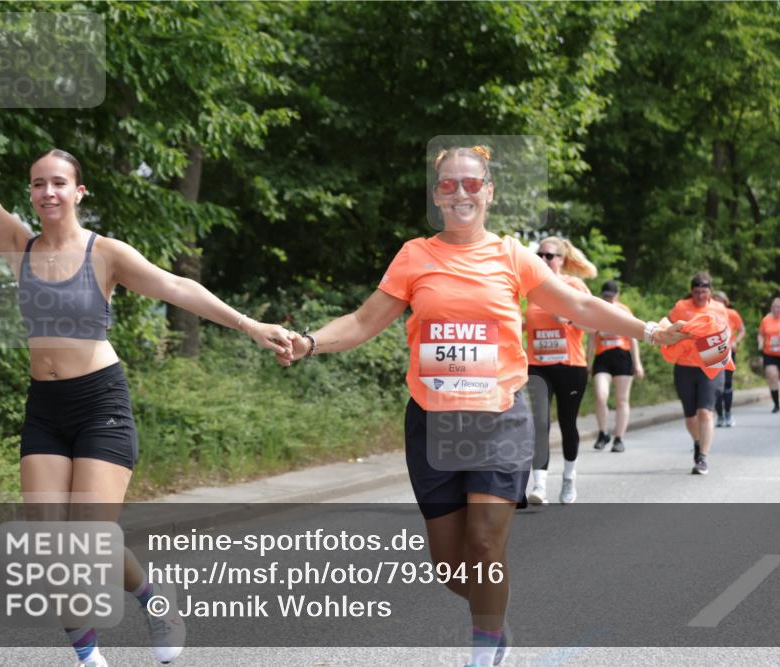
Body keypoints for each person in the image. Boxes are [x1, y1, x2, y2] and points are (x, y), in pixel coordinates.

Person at [276, 145, 683, 667]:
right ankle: (494, 617)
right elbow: (361, 322)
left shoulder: (512, 256)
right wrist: (308, 342)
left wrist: (649, 330)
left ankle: (484, 647)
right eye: (449, 184)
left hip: (500, 420)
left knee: (487, 545)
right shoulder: (414, 256)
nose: (461, 192)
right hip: (433, 422)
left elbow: (579, 304)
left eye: (472, 183)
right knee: (450, 568)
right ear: (437, 195)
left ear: (489, 192)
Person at [0, 83, 291, 667]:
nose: (48, 190)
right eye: (39, 183)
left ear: (78, 191)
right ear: (31, 195)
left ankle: (152, 601)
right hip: (45, 411)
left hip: (100, 405)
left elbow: (178, 287)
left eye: (59, 181)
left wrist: (249, 324)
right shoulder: (18, 245)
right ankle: (92, 654)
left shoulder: (106, 253)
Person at [525, 235, 597, 505]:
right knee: (540, 423)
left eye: (549, 256)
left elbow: (593, 325)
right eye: (539, 255)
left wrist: (568, 318)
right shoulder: (531, 288)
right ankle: (540, 485)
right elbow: (523, 323)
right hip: (538, 365)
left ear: (562, 260)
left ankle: (569, 479)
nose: (543, 260)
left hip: (570, 366)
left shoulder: (573, 284)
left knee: (568, 424)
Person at [666, 272, 732, 475]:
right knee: (690, 416)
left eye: (704, 292)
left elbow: (726, 333)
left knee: (705, 412)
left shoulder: (719, 309)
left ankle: (702, 458)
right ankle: (697, 441)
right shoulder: (681, 307)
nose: (700, 297)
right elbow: (666, 327)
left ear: (710, 292)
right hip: (685, 365)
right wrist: (679, 334)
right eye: (696, 292)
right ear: (691, 292)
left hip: (710, 365)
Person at [588, 280, 644, 453]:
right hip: (602, 356)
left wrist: (638, 363)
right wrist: (588, 362)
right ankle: (603, 432)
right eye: (605, 297)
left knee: (621, 399)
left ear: (617, 296)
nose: (609, 301)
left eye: (611, 298)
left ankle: (619, 438)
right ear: (601, 295)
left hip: (622, 356)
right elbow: (591, 339)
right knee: (600, 395)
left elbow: (633, 338)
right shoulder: (596, 310)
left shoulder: (624, 310)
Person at [711, 291, 745, 427]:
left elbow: (742, 330)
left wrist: (736, 341)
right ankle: (719, 415)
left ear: (726, 302)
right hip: (713, 351)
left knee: (727, 383)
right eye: (715, 301)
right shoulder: (709, 314)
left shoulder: (732, 314)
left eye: (720, 301)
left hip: (729, 350)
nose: (718, 304)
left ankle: (729, 413)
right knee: (715, 385)